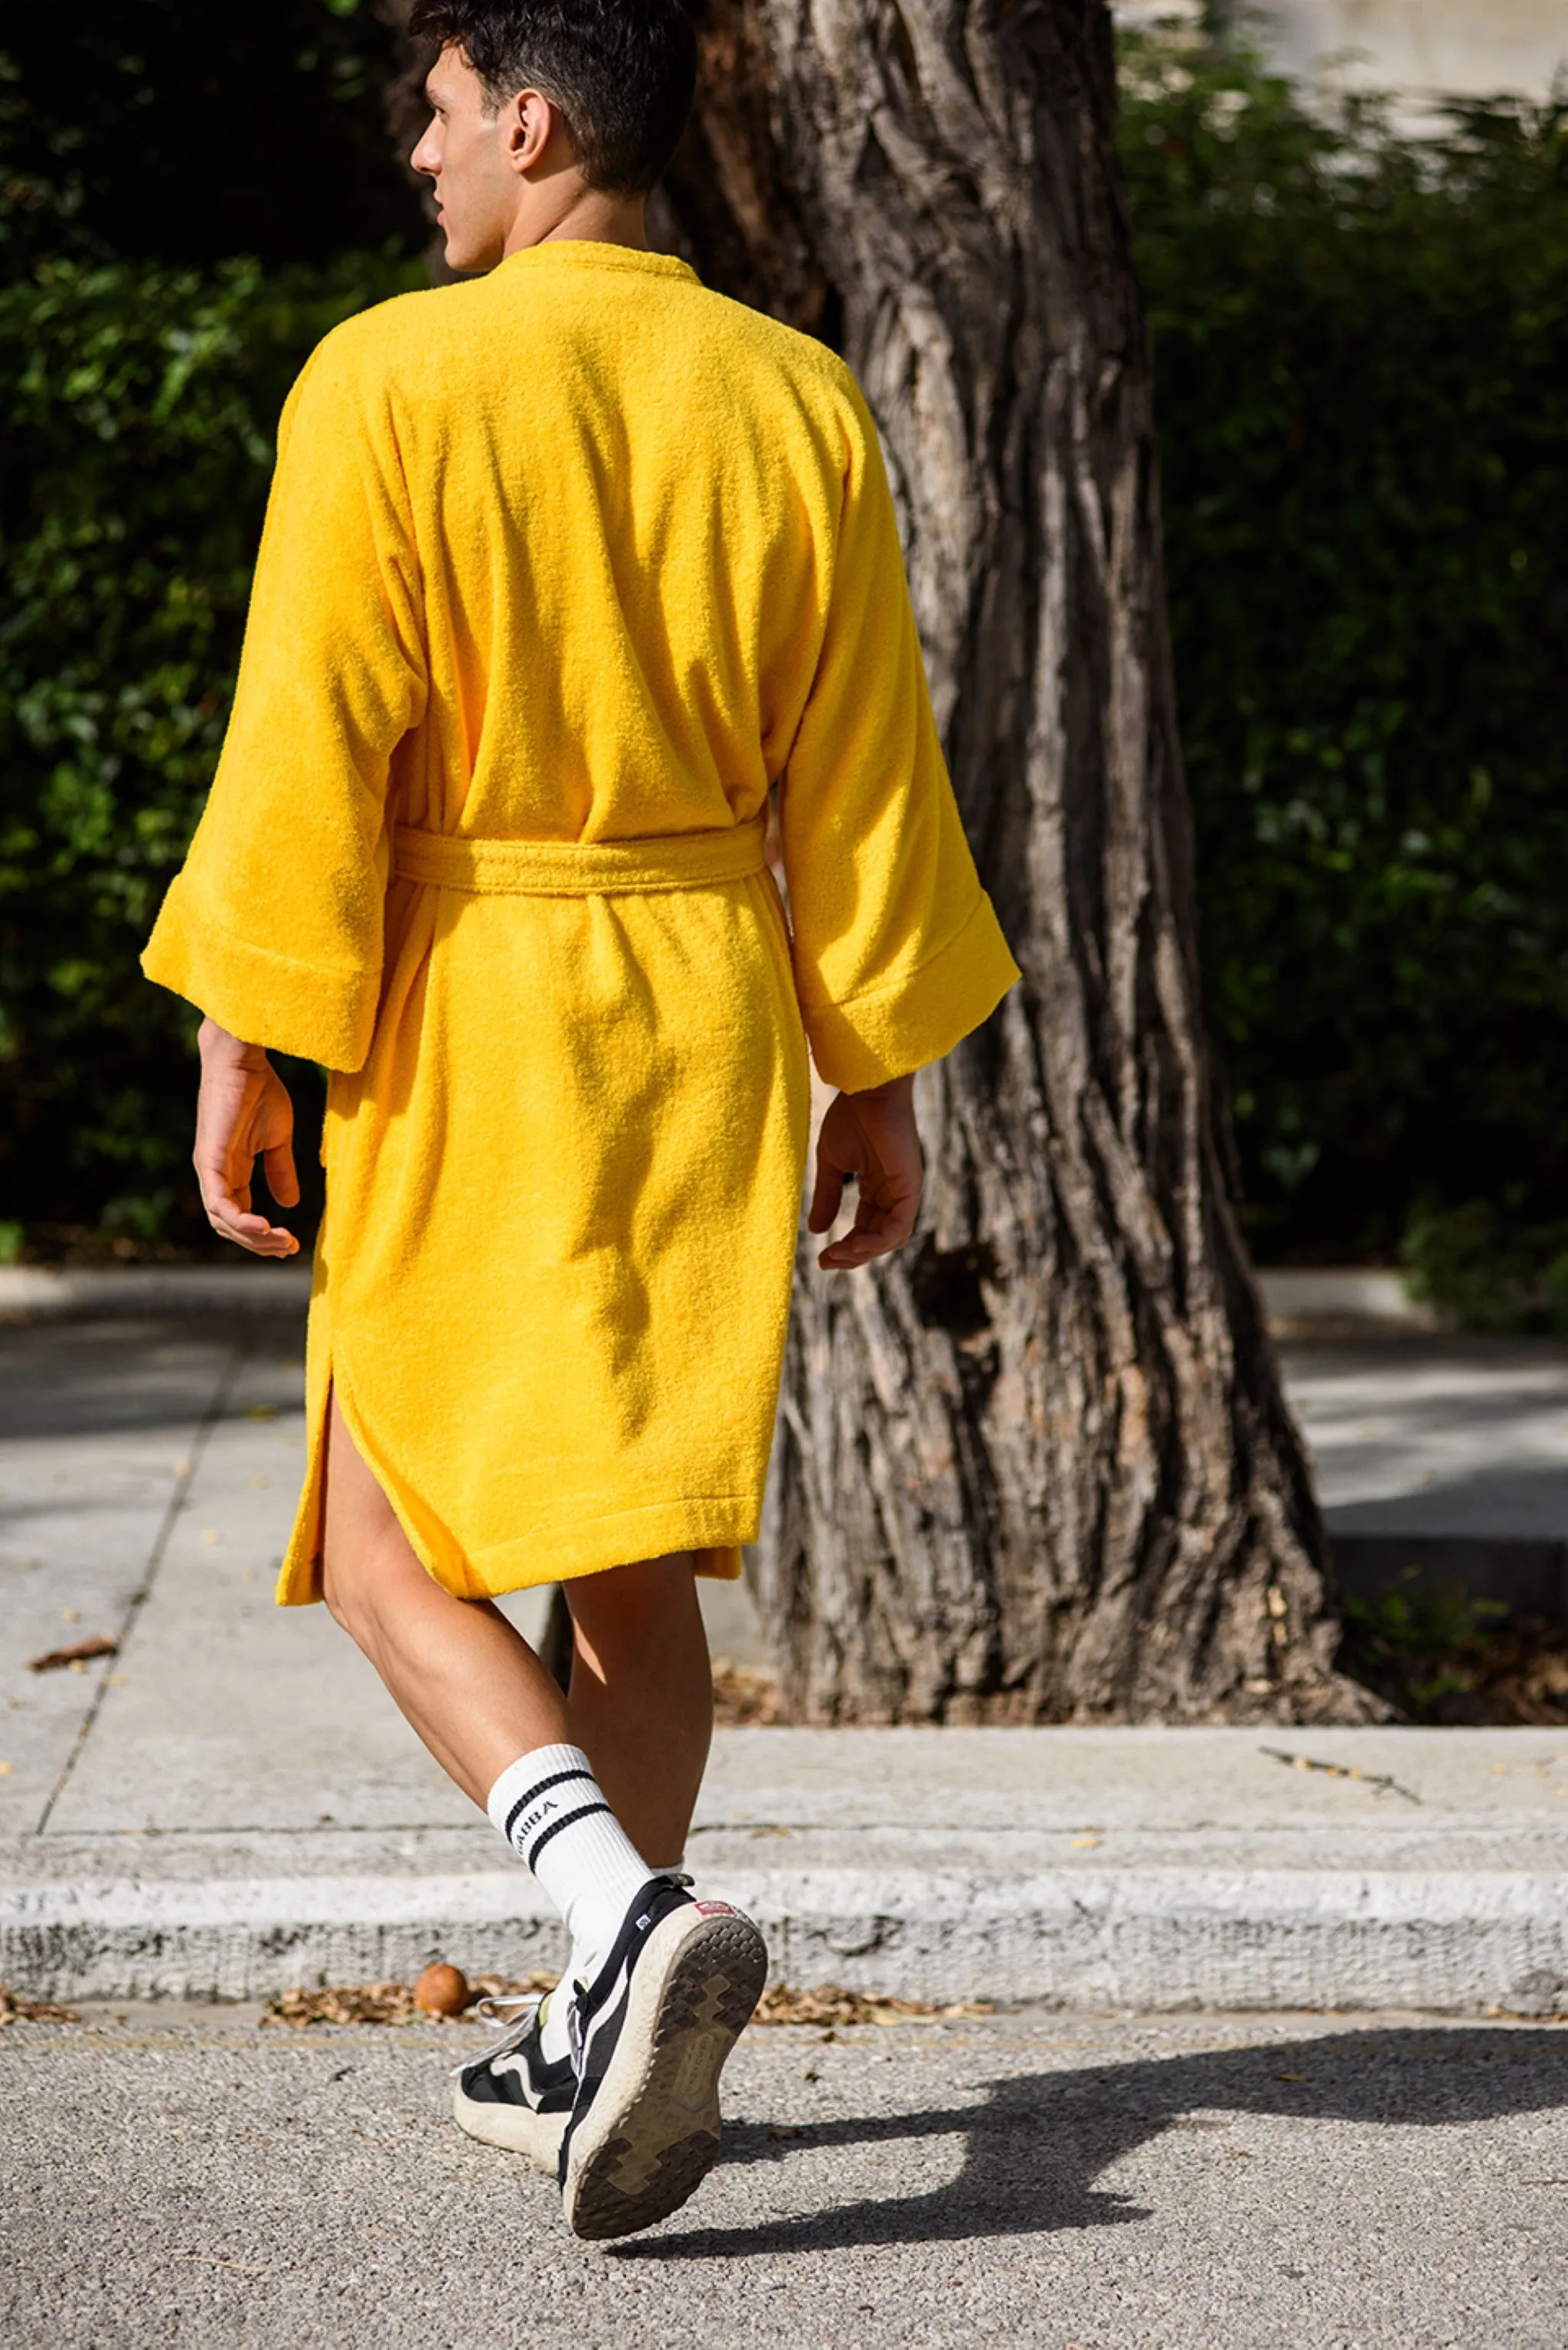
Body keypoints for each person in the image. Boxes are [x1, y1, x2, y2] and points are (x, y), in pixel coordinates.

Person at [142, 0, 1018, 2243]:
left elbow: (315, 731)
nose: (418, 162)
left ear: (533, 121)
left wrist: (252, 1028)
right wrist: (877, 1073)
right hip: (709, 998)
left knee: (368, 1524)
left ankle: (618, 1918)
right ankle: (590, 2010)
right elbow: (866, 774)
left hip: (482, 992)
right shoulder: (793, 393)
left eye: (437, 117)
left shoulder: (390, 379)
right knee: (620, 1541)